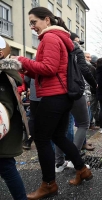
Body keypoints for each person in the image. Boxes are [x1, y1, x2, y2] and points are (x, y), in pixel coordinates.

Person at [15, 7, 92, 199]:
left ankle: (48, 184)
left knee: (41, 139)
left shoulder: (49, 38)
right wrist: (26, 68)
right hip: (61, 96)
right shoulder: (56, 37)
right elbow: (48, 70)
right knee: (58, 136)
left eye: (34, 22)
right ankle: (82, 169)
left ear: (47, 20)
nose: (32, 26)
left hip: (53, 97)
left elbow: (48, 68)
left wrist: (22, 60)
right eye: (30, 23)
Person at [55, 32, 98, 172]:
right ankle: (74, 159)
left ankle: (59, 163)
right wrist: (95, 84)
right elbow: (84, 69)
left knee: (60, 130)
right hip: (74, 91)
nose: (79, 44)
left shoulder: (55, 46)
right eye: (78, 41)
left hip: (57, 92)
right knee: (84, 123)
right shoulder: (74, 48)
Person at [0, 36, 27, 200]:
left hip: (4, 134)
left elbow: (5, 107)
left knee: (6, 167)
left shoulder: (3, 74)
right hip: (6, 131)